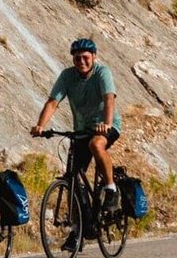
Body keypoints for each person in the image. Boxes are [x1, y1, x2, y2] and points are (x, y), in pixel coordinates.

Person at [29, 38, 121, 213]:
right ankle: (77, 228)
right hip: (82, 129)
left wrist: (106, 124)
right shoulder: (67, 76)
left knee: (96, 144)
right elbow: (53, 102)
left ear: (94, 56)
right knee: (73, 179)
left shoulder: (102, 72)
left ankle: (111, 188)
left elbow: (109, 98)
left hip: (107, 125)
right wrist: (40, 125)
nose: (82, 62)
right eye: (77, 58)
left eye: (85, 57)